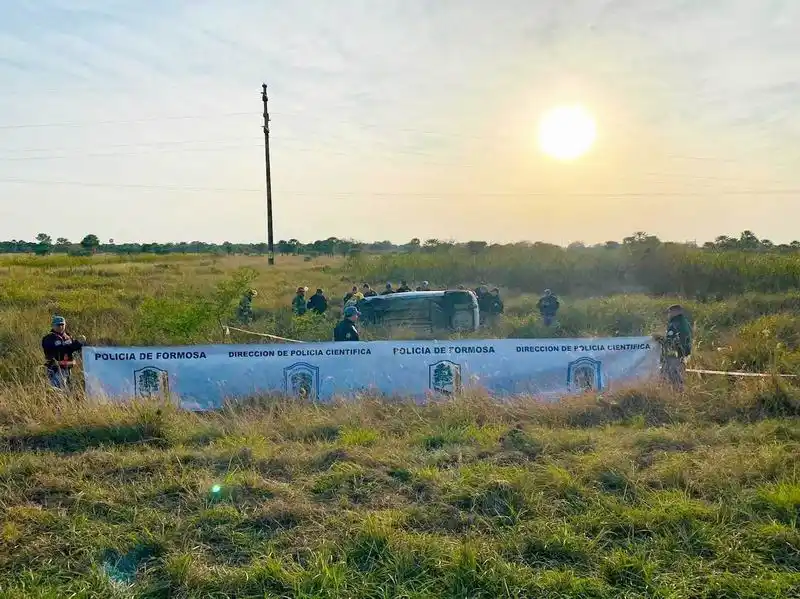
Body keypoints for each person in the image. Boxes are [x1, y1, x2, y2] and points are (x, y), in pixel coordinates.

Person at [653, 304, 692, 390]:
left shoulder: (674, 324)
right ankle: (678, 392)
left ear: (675, 312)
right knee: (678, 375)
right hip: (682, 354)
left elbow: (671, 341)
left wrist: (660, 339)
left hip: (674, 355)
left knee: (672, 377)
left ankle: (675, 393)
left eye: (670, 312)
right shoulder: (684, 322)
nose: (668, 314)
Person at [42, 316, 86, 390]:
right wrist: (72, 346)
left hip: (68, 368)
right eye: (58, 325)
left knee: (68, 390)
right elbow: (57, 351)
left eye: (62, 324)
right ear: (53, 326)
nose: (61, 327)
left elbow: (74, 349)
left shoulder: (68, 336)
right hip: (55, 369)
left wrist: (80, 344)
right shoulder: (48, 338)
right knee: (57, 390)